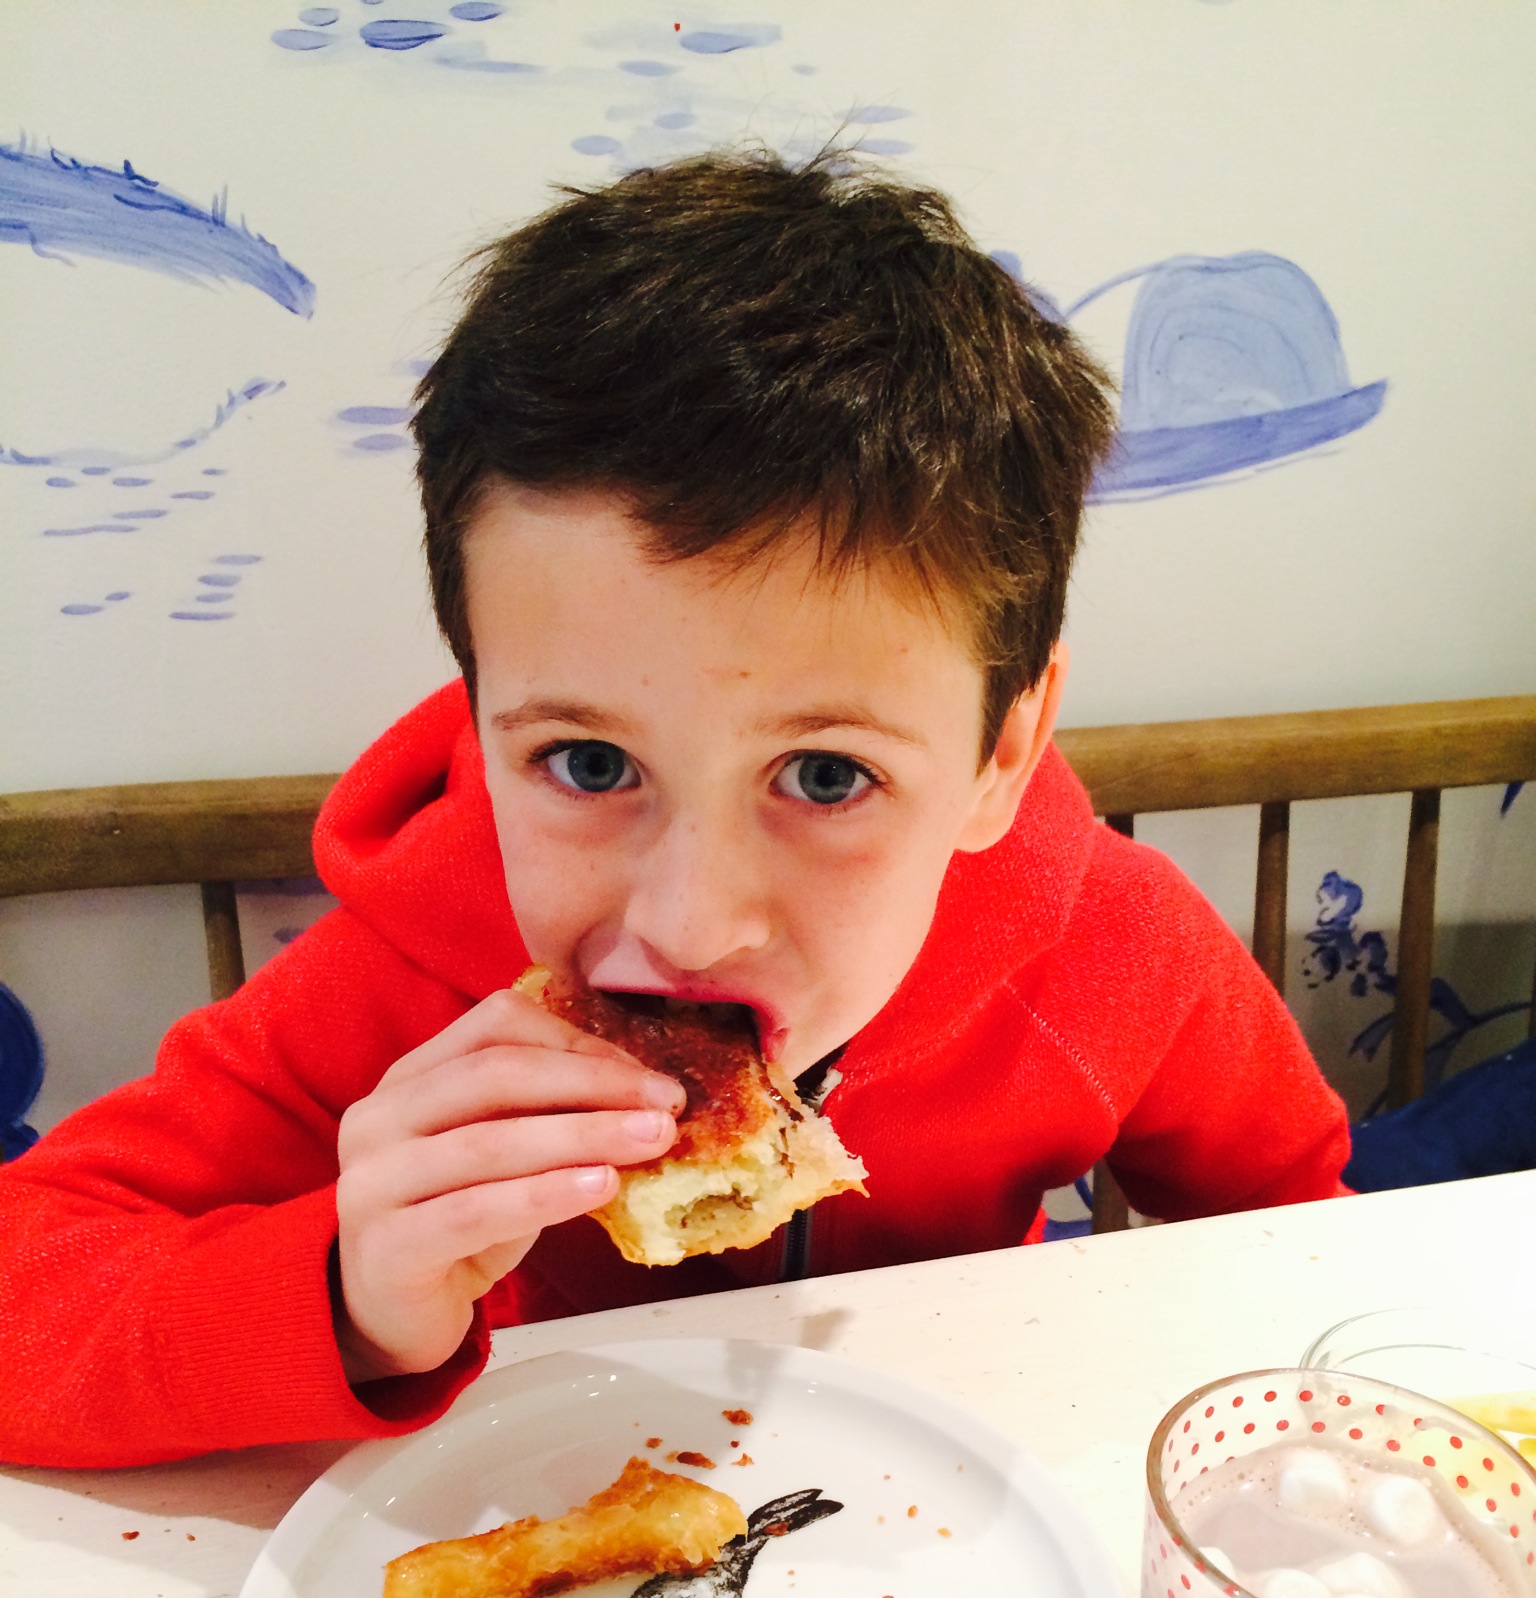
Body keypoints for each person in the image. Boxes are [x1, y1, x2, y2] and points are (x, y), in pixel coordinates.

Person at [0, 150, 1348, 1470]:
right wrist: (347, 1292)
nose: (692, 925)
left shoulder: (1120, 953)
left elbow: (1312, 1244)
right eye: (590, 764)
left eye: (827, 776)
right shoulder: (390, 990)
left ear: (1002, 753)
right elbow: (27, 1287)